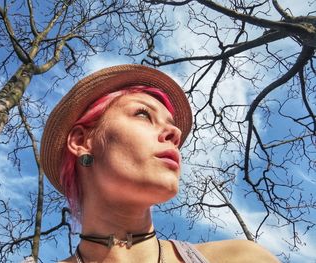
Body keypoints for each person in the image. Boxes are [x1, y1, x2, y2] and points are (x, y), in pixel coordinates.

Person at [40, 64, 279, 263]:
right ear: (82, 141)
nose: (174, 133)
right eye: (143, 114)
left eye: (171, 124)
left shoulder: (242, 258)